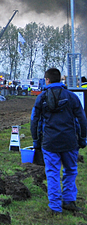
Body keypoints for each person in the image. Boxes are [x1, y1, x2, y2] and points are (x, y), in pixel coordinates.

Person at [31, 68, 87, 215]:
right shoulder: (71, 97)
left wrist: (36, 142)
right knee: (70, 170)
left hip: (49, 143)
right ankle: (69, 201)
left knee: (52, 173)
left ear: (47, 80)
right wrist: (82, 138)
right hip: (70, 141)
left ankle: (55, 207)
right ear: (60, 80)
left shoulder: (41, 98)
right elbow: (82, 119)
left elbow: (34, 121)